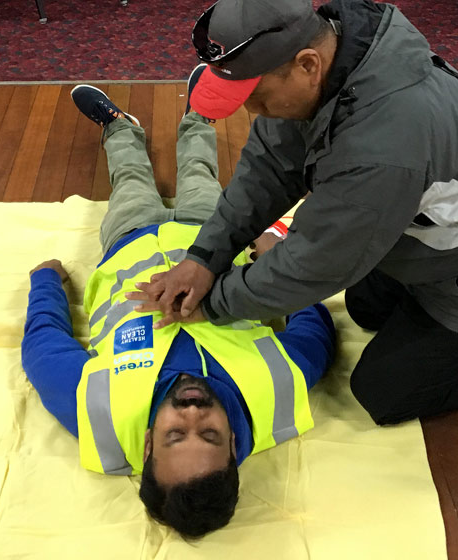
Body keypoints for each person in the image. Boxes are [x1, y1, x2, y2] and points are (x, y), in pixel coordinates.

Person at [132, 0, 458, 426]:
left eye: (256, 98)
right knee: (366, 307)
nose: (252, 112)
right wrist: (204, 257)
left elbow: (318, 261)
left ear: (307, 65)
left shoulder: (381, 144)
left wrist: (214, 304)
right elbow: (269, 169)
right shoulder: (338, 59)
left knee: (383, 393)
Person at [20, 80, 336, 537]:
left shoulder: (99, 416)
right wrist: (272, 256)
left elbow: (43, 349)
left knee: (130, 180)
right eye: (208, 433)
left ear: (148, 445)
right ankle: (198, 117)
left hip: (129, 244)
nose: (191, 412)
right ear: (233, 444)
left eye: (175, 434)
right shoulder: (277, 392)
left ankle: (119, 128)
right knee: (200, 175)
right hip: (210, 239)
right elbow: (313, 325)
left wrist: (45, 283)